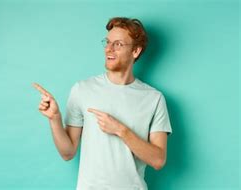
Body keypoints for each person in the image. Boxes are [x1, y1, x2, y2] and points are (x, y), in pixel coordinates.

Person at [32, 17, 172, 190]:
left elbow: (158, 160)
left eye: (118, 44)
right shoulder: (82, 90)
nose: (108, 49)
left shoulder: (153, 98)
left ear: (135, 51)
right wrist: (54, 118)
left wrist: (121, 130)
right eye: (107, 42)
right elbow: (67, 153)